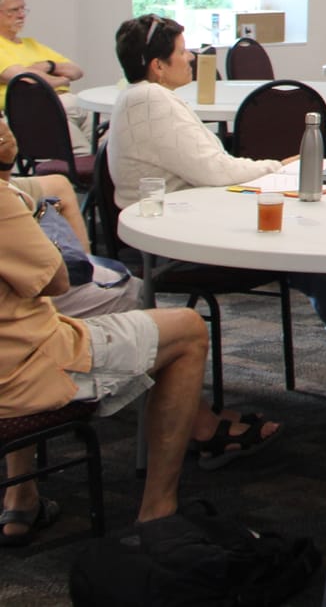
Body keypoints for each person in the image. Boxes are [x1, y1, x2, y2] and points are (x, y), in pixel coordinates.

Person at [105, 15, 326, 339]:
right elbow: (216, 170)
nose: (191, 56)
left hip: (179, 221)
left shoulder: (134, 95)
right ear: (158, 66)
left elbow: (210, 167)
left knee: (307, 251)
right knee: (311, 250)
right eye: (182, 51)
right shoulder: (152, 100)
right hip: (182, 237)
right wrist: (278, 166)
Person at [0, 182, 215, 546]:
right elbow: (57, 279)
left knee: (27, 315)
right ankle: (158, 514)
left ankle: (21, 497)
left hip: (15, 352)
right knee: (188, 330)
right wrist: (30, 216)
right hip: (23, 375)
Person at [0, 0, 89, 143]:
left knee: (108, 138)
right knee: (85, 153)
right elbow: (26, 78)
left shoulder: (31, 44)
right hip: (32, 113)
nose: (21, 15)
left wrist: (49, 66)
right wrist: (61, 80)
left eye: (23, 9)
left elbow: (77, 70)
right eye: (14, 10)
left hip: (65, 105)